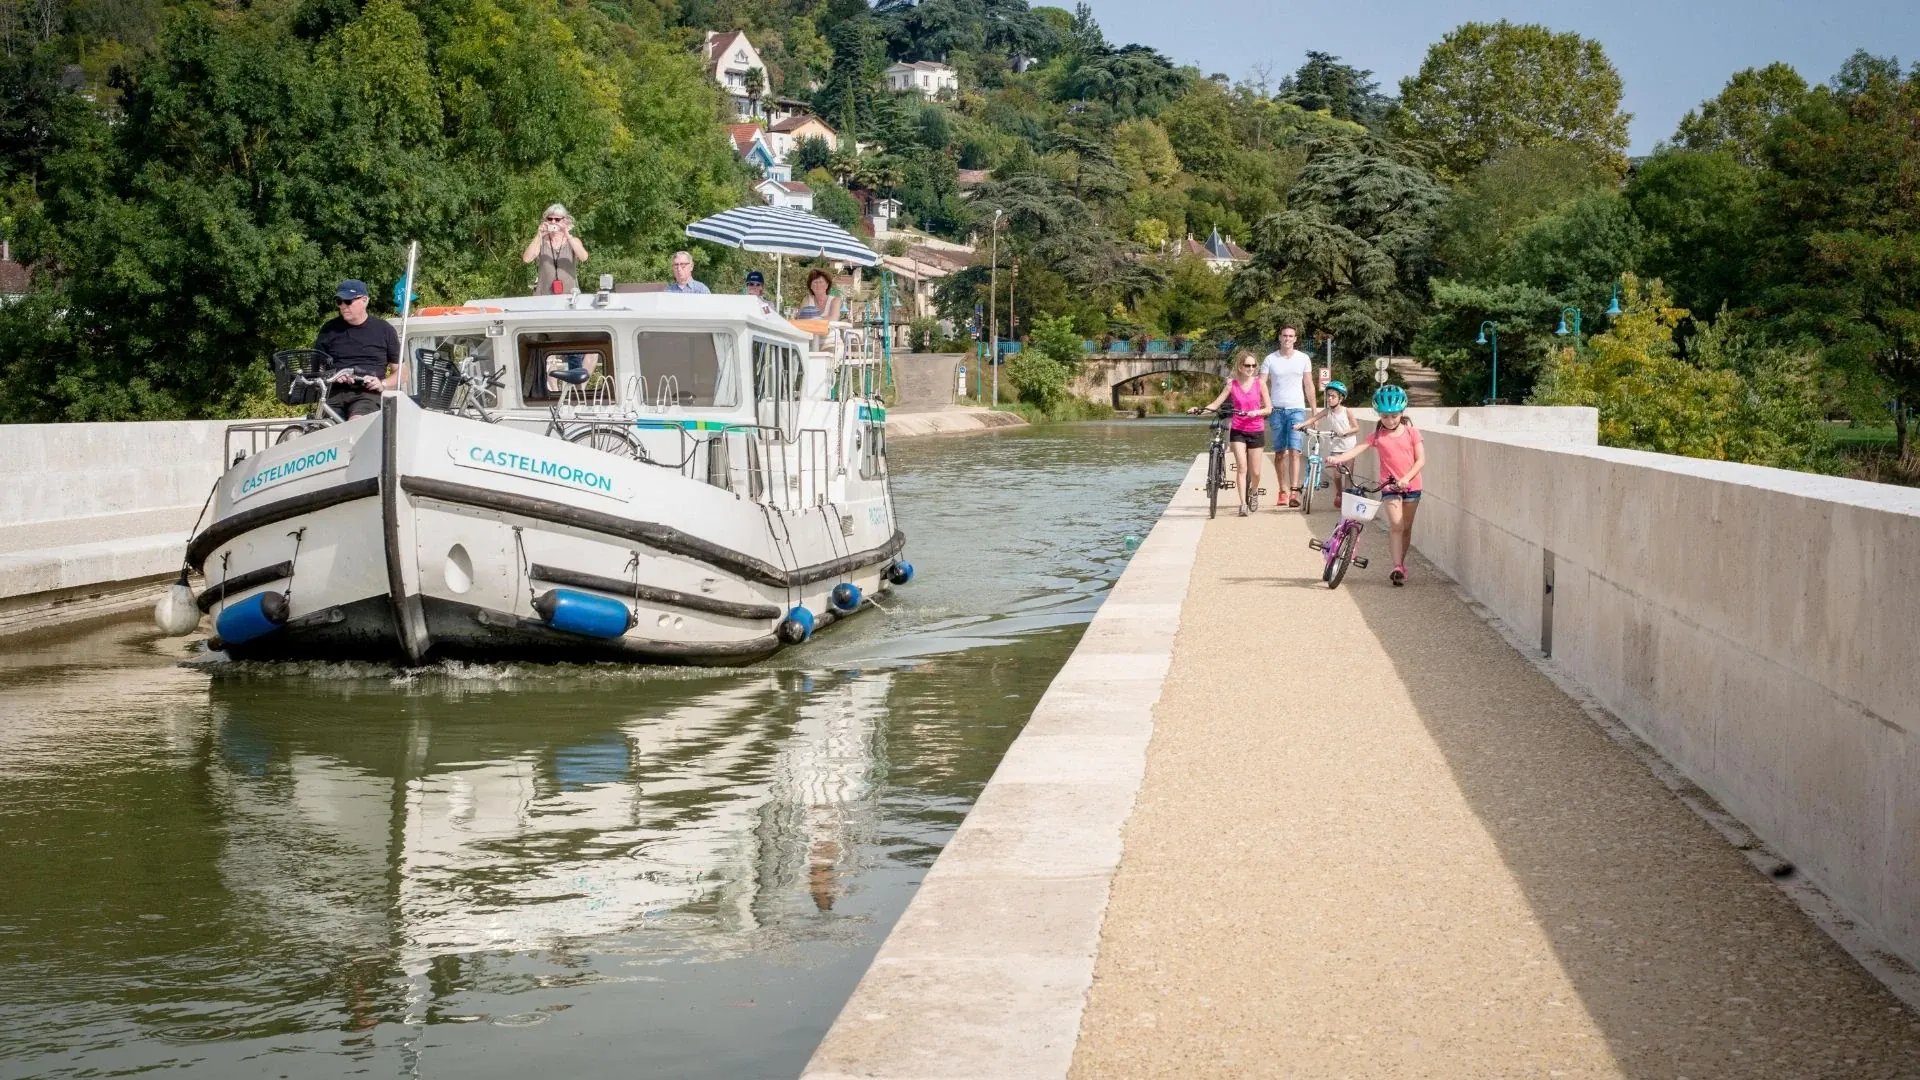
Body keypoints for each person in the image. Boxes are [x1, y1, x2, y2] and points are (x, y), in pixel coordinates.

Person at [1327, 384, 1425, 586]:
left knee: (1406, 528)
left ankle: (1402, 565)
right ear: (1379, 415)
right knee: (1396, 526)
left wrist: (1406, 477)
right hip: (1389, 487)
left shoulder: (1412, 433)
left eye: (1394, 416)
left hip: (1412, 486)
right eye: (1385, 416)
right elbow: (1357, 449)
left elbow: (1421, 460)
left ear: (1401, 413)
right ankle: (1396, 566)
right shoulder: (1378, 436)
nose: (1390, 420)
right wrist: (1338, 459)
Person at [1188, 352, 1272, 516]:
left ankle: (1253, 492)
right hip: (1238, 430)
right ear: (1240, 367)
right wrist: (1198, 410)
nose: (1251, 369)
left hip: (1256, 429)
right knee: (1242, 467)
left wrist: (1256, 412)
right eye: (1247, 365)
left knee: (1255, 472)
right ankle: (1242, 504)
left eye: (1254, 366)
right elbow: (1215, 404)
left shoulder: (1260, 384)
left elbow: (1269, 408)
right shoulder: (1231, 385)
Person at [313, 280, 398, 420]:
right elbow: (317, 367)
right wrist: (331, 375)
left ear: (364, 300)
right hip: (334, 393)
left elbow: (402, 372)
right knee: (320, 430)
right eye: (339, 301)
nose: (343, 306)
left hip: (367, 394)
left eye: (348, 301)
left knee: (356, 423)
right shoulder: (329, 329)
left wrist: (383, 384)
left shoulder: (384, 330)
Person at [1259, 325, 1317, 510]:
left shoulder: (1303, 358)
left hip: (1297, 409)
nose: (1287, 338)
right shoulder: (1270, 359)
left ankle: (1294, 491)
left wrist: (1314, 412)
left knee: (1295, 451)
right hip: (1276, 409)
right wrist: (1262, 407)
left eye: (1290, 336)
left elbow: (1308, 385)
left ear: (1295, 338)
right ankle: (1282, 491)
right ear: (1279, 337)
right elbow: (1261, 384)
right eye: (1284, 335)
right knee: (1279, 452)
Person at [1293, 380, 1358, 509]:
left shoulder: (1346, 411)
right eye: (1328, 395)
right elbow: (1314, 418)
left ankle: (1348, 502)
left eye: (1333, 396)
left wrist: (1344, 432)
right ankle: (1339, 494)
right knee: (1337, 475)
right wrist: (1301, 425)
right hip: (1336, 448)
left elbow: (1356, 428)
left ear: (1341, 398)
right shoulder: (1327, 411)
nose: (1329, 398)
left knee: (1348, 476)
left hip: (1349, 448)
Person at [521, 203, 589, 294]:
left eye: (557, 219)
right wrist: (539, 235)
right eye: (550, 219)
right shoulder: (541, 241)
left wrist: (566, 234)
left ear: (565, 221)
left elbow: (584, 257)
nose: (553, 222)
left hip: (569, 295)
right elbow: (526, 259)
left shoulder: (573, 241)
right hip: (544, 295)